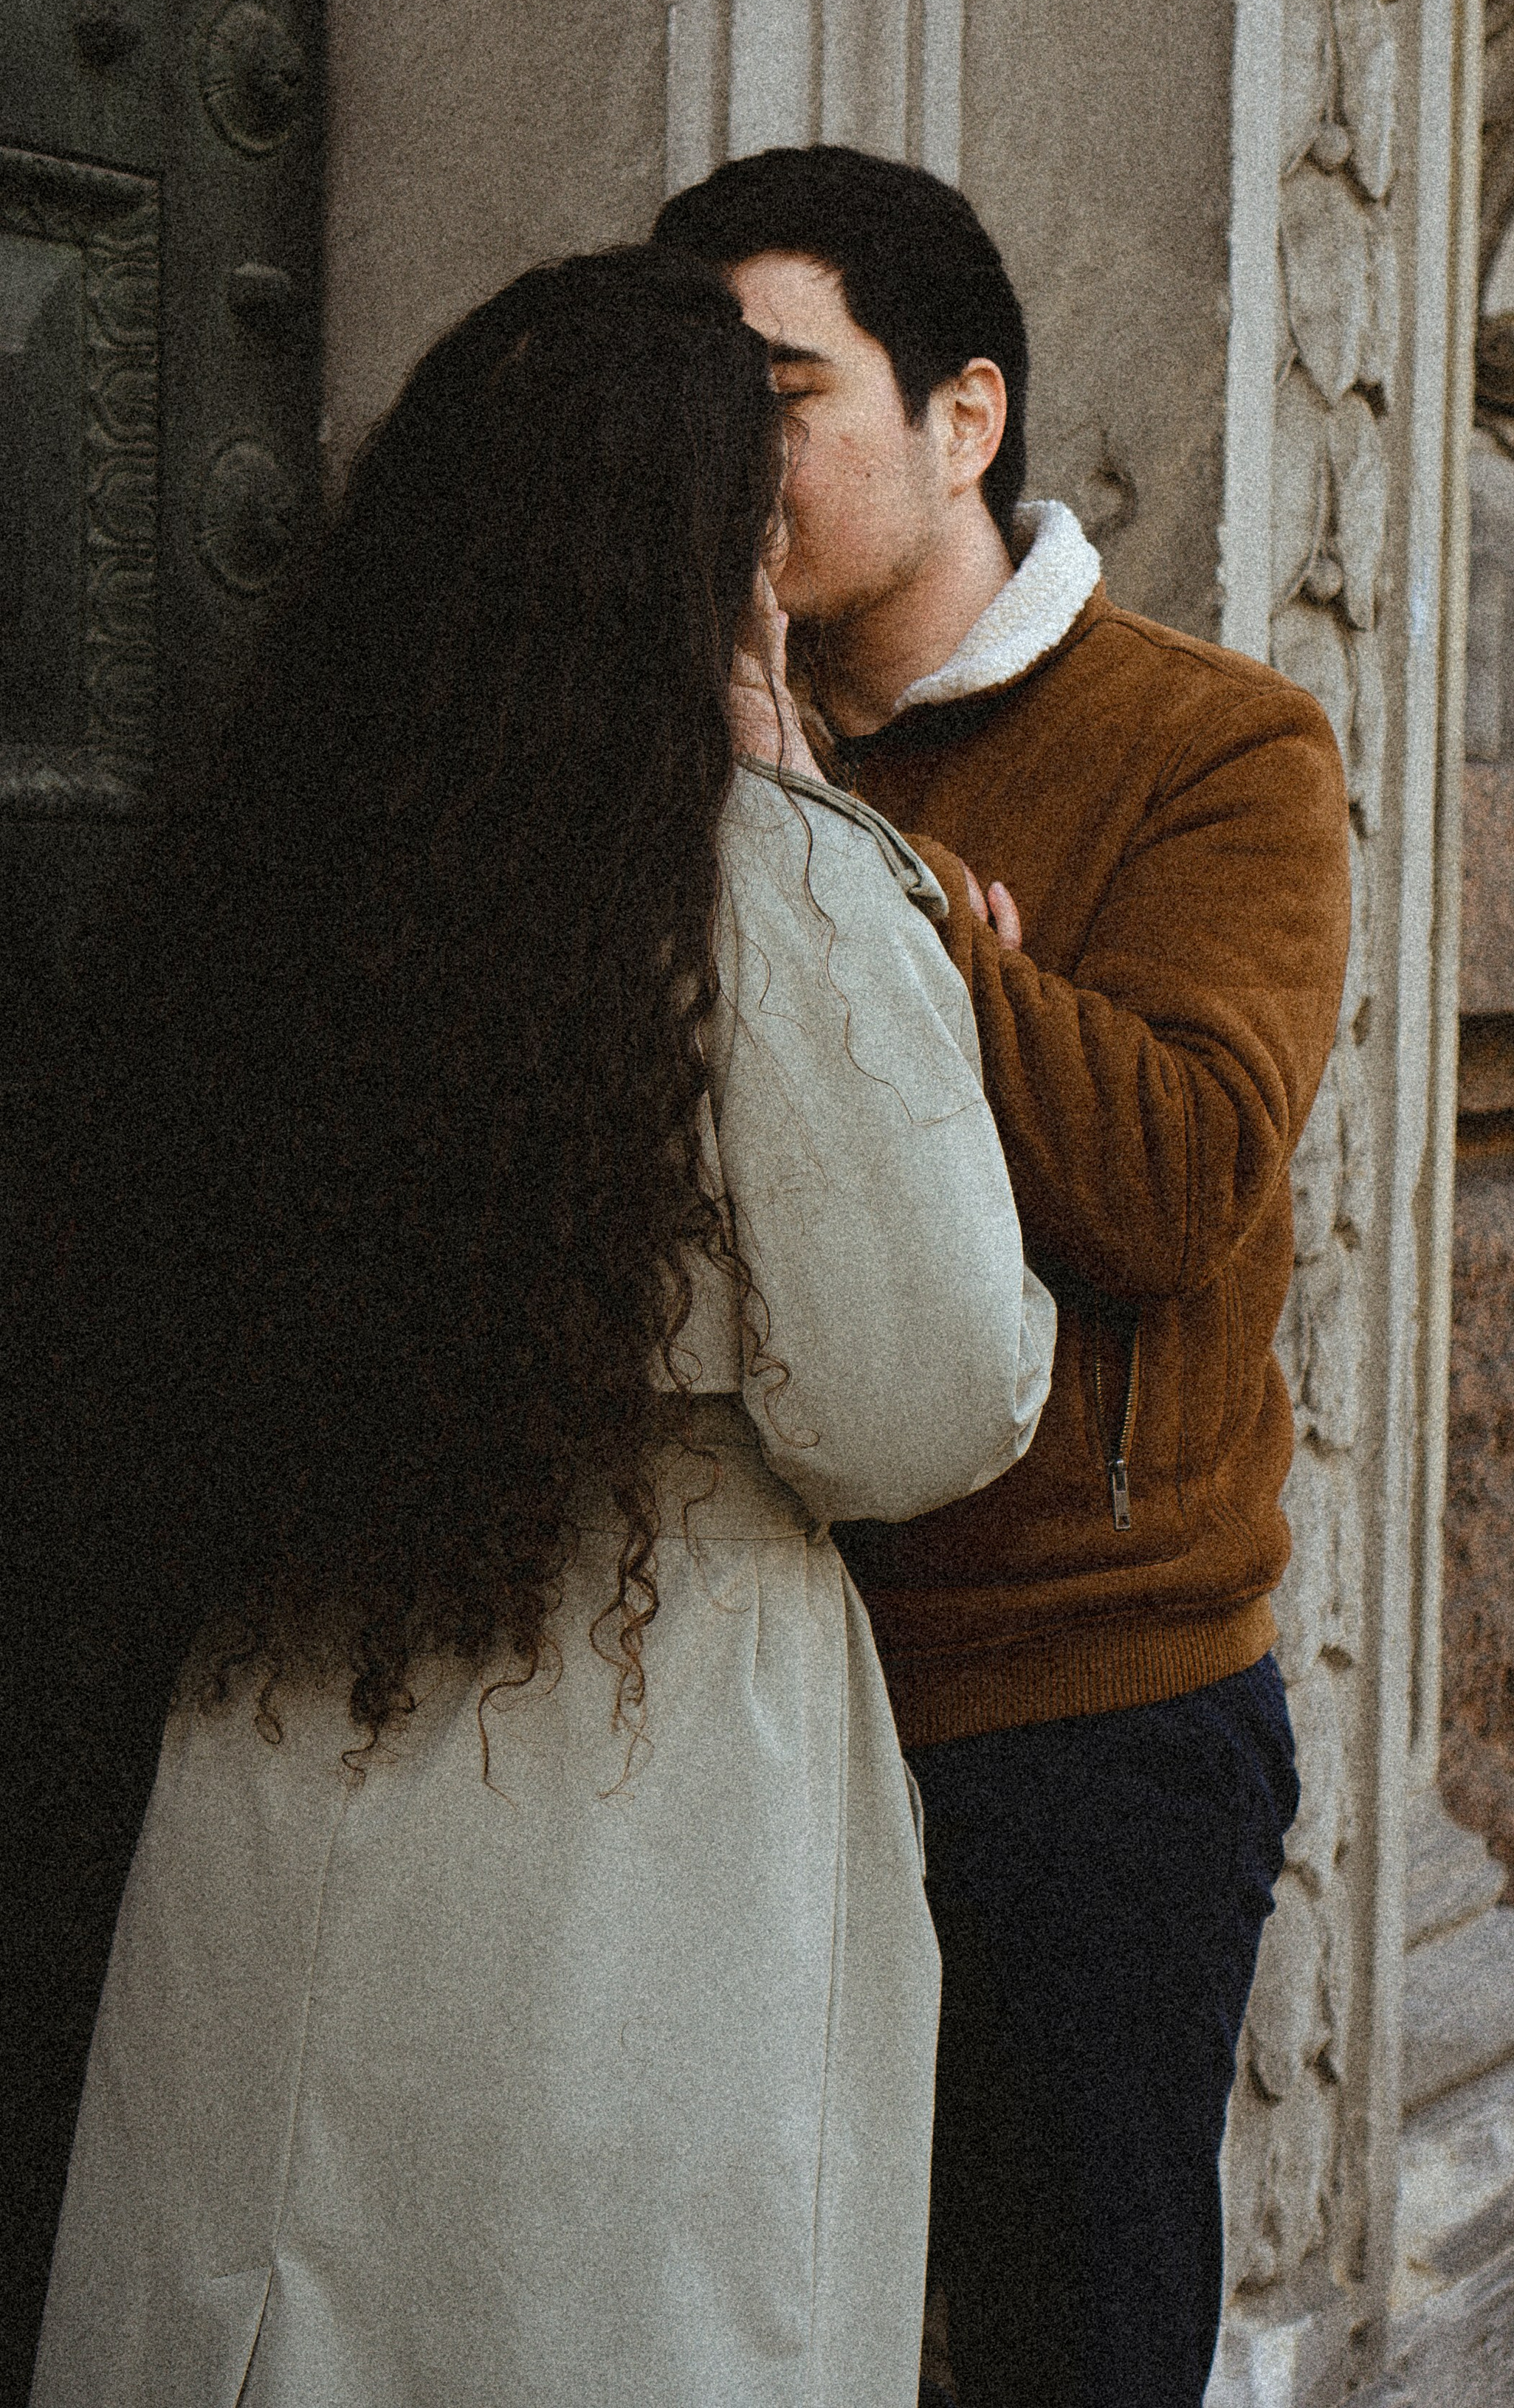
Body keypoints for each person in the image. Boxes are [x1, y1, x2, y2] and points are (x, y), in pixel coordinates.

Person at [19, 246, 1054, 2408]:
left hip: (293, 1696)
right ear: (729, 555)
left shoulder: (274, 856)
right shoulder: (765, 888)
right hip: (646, 1764)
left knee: (268, 2292)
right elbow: (929, 1402)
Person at [651, 150, 1354, 2408]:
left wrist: (857, 874)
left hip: (1080, 1720)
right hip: (737, 1683)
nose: (721, 461)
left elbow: (1180, 1171)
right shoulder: (648, 737)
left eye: (779, 394)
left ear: (965, 417)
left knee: (1065, 2346)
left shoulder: (1217, 745)